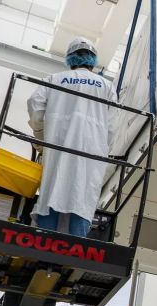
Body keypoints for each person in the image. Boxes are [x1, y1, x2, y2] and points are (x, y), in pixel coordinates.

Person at [27, 37, 117, 237]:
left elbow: (35, 106)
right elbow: (112, 126)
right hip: (92, 151)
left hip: (57, 145)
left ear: (70, 58)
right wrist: (104, 147)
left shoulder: (54, 79)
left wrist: (40, 134)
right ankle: (76, 243)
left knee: (53, 186)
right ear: (93, 60)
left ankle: (44, 238)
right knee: (83, 193)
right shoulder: (107, 86)